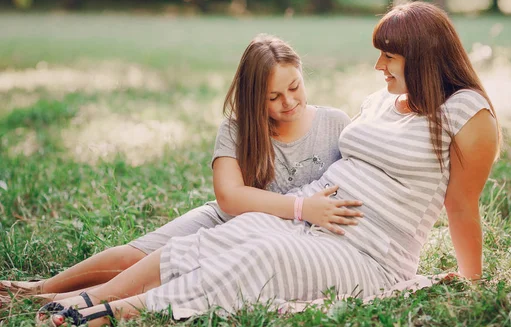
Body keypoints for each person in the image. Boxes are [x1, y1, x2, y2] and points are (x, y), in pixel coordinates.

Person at [44, 1, 501, 327]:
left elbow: (461, 206)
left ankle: (118, 313)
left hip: (370, 254)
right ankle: (87, 297)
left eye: (389, 55)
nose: (378, 64)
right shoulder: (382, 100)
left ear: (421, 56)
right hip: (313, 222)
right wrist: (304, 210)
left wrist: (473, 282)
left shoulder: (467, 113)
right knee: (227, 235)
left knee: (262, 256)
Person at [1, 34, 361, 299]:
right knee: (138, 255)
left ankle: (67, 300)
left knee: (168, 272)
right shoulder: (237, 129)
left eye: (295, 87)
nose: (290, 102)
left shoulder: (333, 123)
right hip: (227, 221)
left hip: (272, 241)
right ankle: (38, 288)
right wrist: (301, 207)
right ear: (254, 97)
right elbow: (229, 197)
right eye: (274, 97)